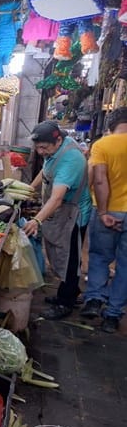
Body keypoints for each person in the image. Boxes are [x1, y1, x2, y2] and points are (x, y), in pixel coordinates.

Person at [23, 121, 92, 320]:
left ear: (58, 140)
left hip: (73, 215)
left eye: (44, 147)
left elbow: (57, 198)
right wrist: (28, 190)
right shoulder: (55, 150)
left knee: (69, 258)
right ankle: (69, 292)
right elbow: (45, 171)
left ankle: (66, 302)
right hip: (60, 212)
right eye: (37, 147)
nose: (40, 151)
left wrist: (36, 220)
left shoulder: (71, 159)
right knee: (60, 255)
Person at [79, 107, 127, 333]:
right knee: (125, 266)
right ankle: (113, 315)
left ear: (111, 126)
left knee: (99, 257)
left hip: (110, 211)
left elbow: (99, 180)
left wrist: (103, 213)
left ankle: (95, 299)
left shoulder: (103, 145)